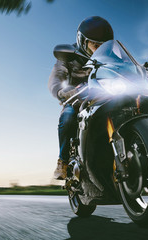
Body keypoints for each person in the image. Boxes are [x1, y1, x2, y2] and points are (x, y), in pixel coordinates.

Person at [49, 16, 114, 180]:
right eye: (95, 45)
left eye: (103, 46)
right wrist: (61, 92)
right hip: (77, 100)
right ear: (83, 42)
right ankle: (63, 160)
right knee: (68, 117)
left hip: (105, 96)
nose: (98, 49)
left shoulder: (111, 57)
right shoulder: (69, 56)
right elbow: (55, 78)